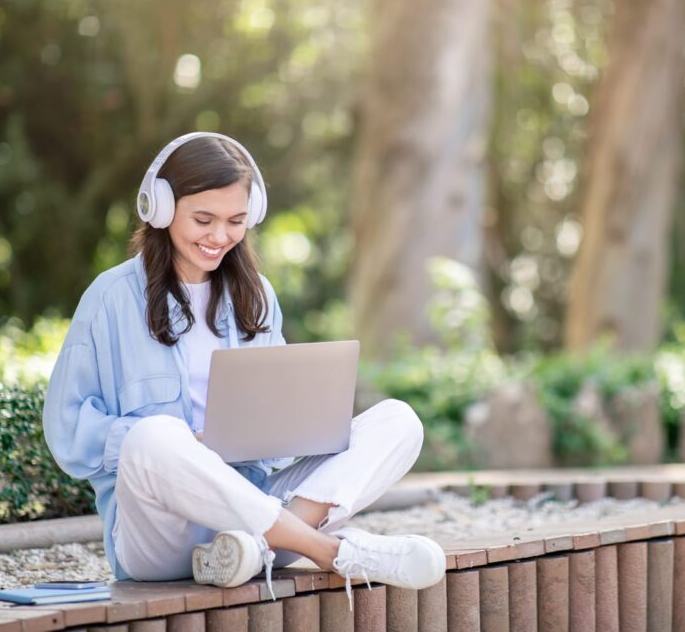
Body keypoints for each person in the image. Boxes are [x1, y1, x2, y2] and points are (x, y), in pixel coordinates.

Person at [42, 132, 445, 603]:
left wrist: (292, 430)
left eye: (235, 221)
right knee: (153, 436)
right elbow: (67, 431)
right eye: (203, 219)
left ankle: (249, 550)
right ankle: (328, 551)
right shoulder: (111, 298)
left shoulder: (256, 296)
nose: (219, 237)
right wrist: (184, 446)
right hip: (158, 537)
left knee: (399, 421)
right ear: (162, 208)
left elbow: (273, 434)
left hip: (250, 508)